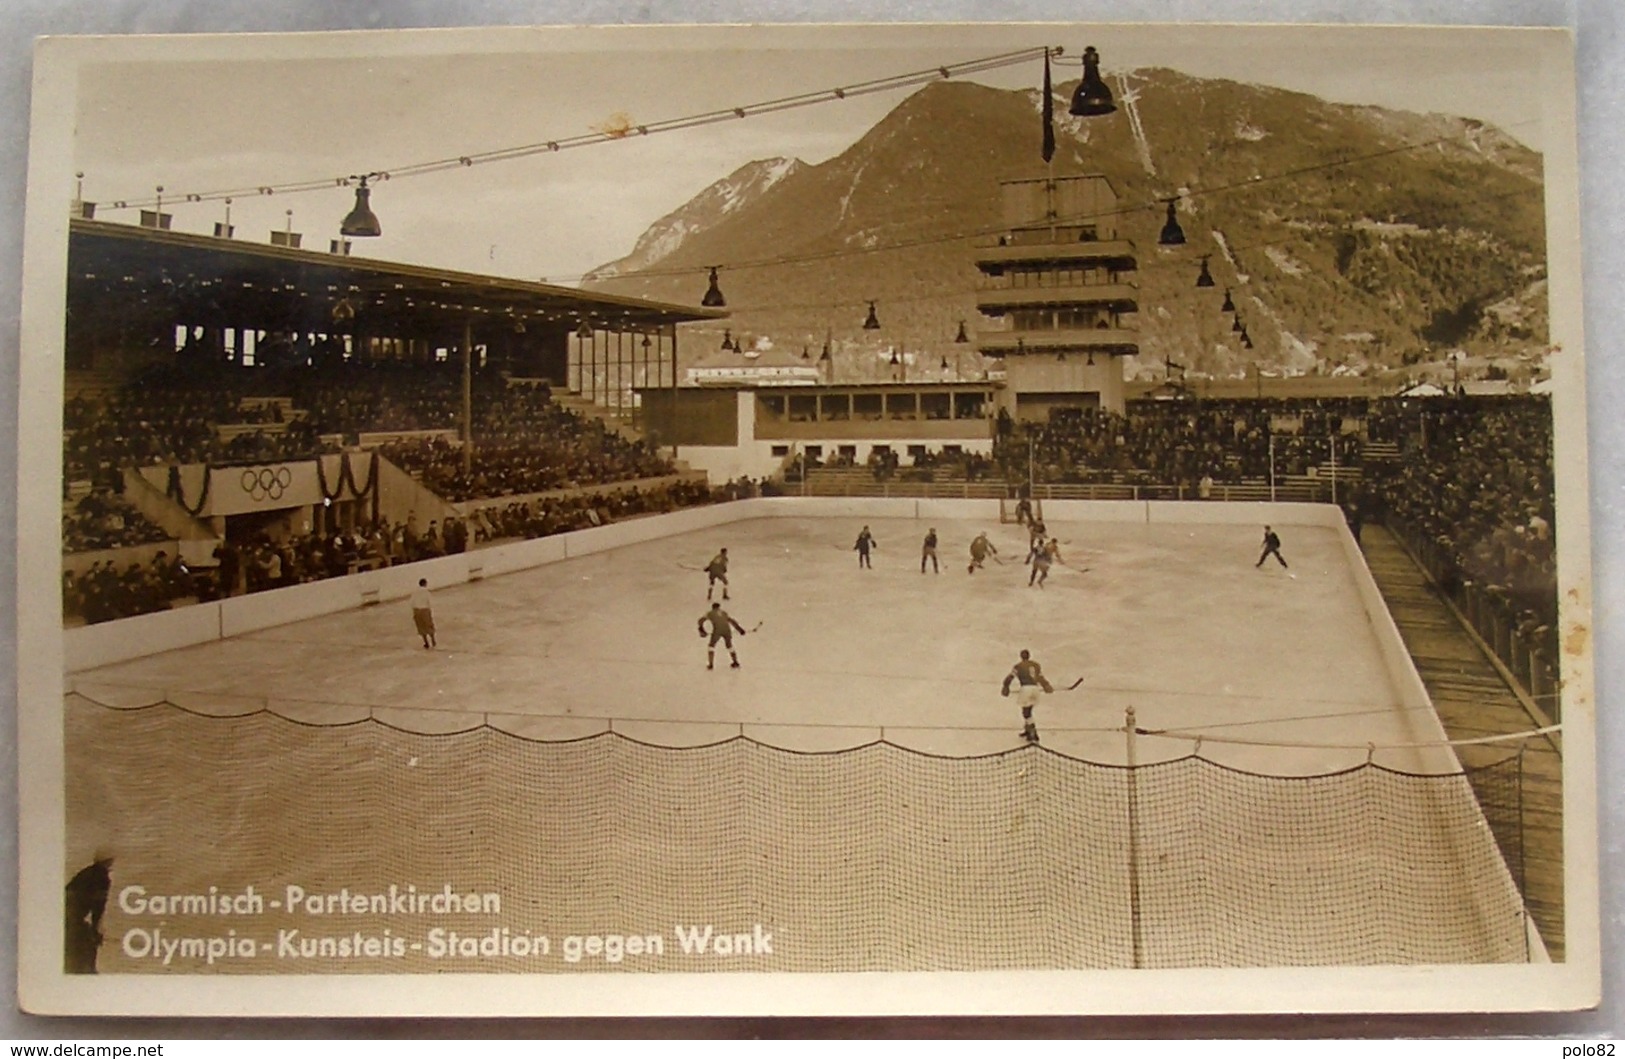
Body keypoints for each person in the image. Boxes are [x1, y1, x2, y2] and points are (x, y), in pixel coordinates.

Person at [64, 854, 113, 974]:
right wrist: (95, 930)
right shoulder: (102, 878)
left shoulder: (85, 873)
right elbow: (98, 907)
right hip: (74, 921)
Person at [1001, 649, 1055, 744]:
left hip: (1026, 689)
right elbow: (1040, 678)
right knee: (1028, 710)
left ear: (1021, 656)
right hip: (1035, 689)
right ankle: (1028, 730)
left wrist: (1005, 687)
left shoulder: (1018, 666)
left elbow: (1010, 678)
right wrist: (1047, 686)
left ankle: (1033, 733)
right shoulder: (1036, 665)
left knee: (1026, 713)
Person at [697, 601, 746, 670]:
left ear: (713, 607)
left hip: (717, 630)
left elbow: (700, 620)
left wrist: (701, 628)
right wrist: (740, 629)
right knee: (729, 646)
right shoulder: (724, 613)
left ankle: (711, 664)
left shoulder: (710, 613)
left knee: (711, 646)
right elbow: (732, 621)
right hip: (727, 630)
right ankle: (735, 662)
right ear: (719, 607)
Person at [410, 577, 436, 649]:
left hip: (417, 611)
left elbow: (411, 603)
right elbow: (429, 602)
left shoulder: (414, 592)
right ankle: (433, 640)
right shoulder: (426, 592)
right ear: (425, 584)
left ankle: (426, 642)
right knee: (429, 625)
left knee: (421, 627)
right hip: (425, 610)